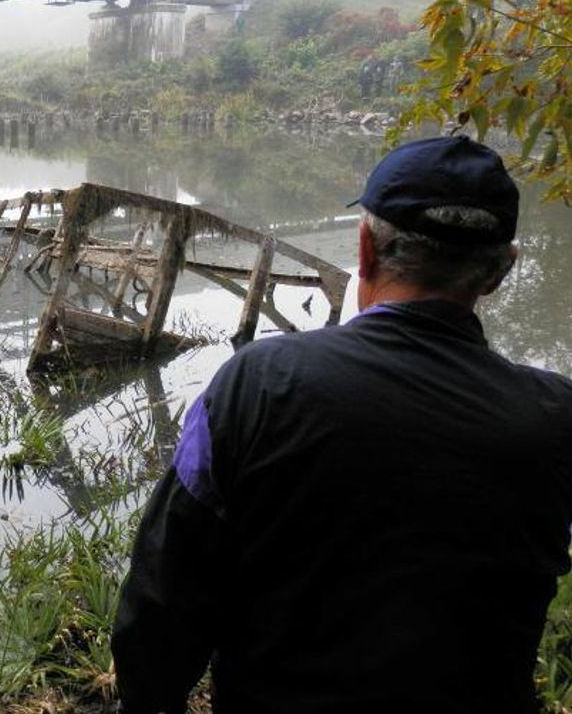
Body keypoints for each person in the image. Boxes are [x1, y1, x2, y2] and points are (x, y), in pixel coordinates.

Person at [112, 134, 572, 714]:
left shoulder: (257, 385)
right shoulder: (555, 418)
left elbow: (163, 595)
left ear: (365, 249)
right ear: (501, 272)